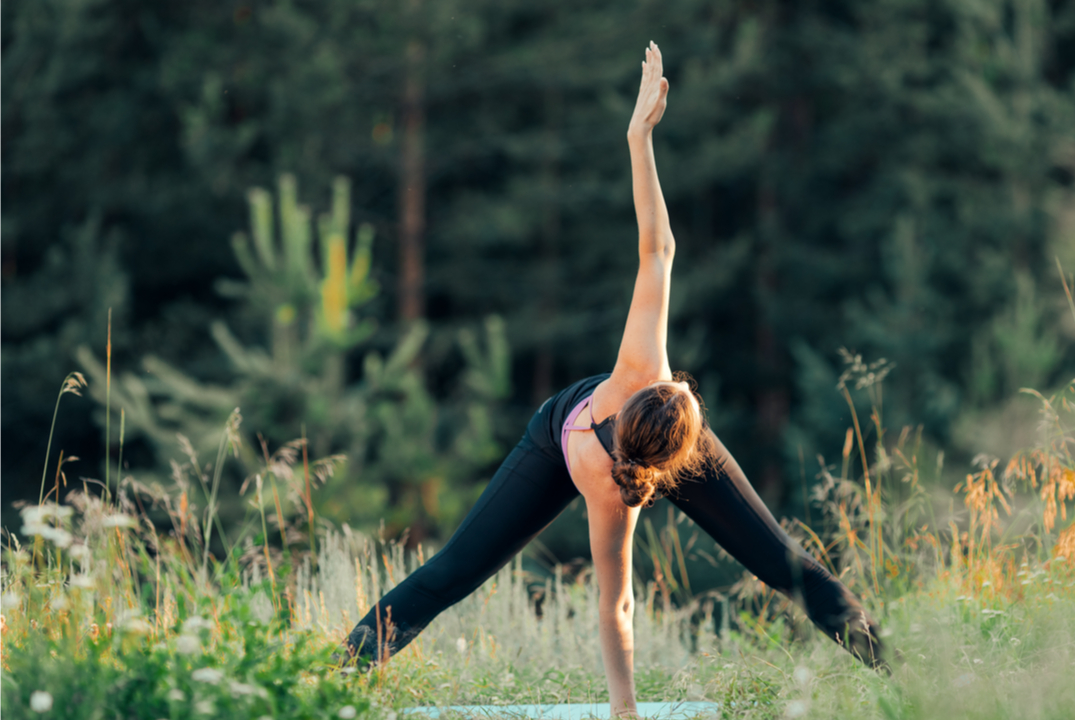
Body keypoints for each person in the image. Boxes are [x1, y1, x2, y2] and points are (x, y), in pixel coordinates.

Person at [338, 42, 884, 717]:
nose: (684, 383)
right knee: (453, 572)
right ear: (658, 455)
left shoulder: (645, 369)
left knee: (785, 567)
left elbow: (657, 247)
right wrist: (624, 711)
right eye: (685, 390)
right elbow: (615, 605)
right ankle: (331, 678)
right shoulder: (612, 483)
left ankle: (894, 671)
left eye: (682, 394)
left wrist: (638, 138)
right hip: (558, 442)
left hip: (633, 437)